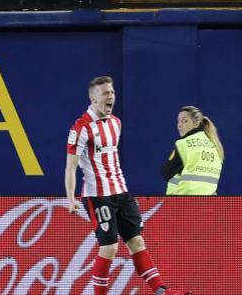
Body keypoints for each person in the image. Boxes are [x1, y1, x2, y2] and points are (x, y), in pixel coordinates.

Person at [65, 76, 190, 295]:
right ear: (93, 99)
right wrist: (70, 197)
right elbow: (71, 166)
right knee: (110, 247)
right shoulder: (81, 128)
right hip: (98, 196)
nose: (111, 96)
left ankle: (161, 291)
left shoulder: (116, 123)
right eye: (105, 93)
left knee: (137, 242)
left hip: (122, 192)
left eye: (112, 92)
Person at [162, 106, 224, 195]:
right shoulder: (215, 146)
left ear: (196, 123)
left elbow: (166, 172)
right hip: (208, 202)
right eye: (178, 121)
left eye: (184, 121)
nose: (179, 125)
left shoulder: (184, 144)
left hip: (184, 202)